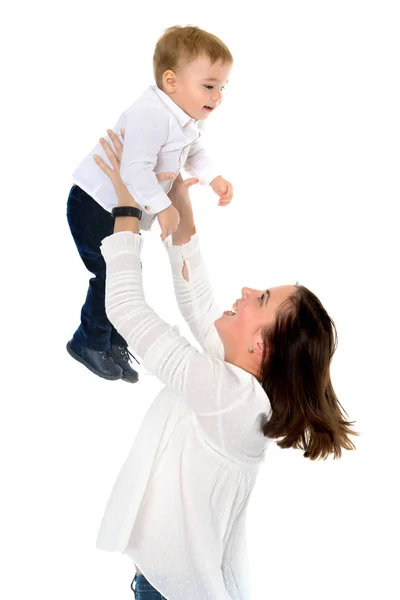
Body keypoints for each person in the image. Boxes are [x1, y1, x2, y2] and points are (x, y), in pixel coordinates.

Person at [91, 130, 357, 600]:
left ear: (261, 347)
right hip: (168, 587)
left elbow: (127, 310)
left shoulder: (230, 397)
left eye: (261, 300)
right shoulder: (238, 387)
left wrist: (128, 208)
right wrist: (178, 205)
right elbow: (198, 301)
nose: (247, 290)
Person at [66, 25, 233, 383]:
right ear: (171, 81)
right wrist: (162, 207)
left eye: (222, 87)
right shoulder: (151, 115)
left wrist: (213, 178)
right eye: (209, 85)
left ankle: (111, 342)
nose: (218, 96)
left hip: (119, 208)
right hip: (95, 203)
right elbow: (134, 169)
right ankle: (88, 341)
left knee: (127, 275)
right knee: (111, 274)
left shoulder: (185, 120)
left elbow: (194, 152)